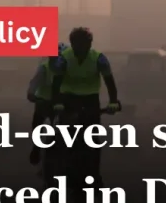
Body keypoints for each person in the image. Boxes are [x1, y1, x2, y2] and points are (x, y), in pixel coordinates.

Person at [50, 28, 120, 182]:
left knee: (93, 139)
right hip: (68, 100)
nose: (82, 48)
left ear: (90, 44)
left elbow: (110, 82)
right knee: (65, 137)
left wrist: (113, 102)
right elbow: (56, 84)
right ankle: (61, 172)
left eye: (85, 44)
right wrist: (57, 103)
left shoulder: (99, 59)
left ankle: (94, 174)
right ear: (73, 44)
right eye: (79, 44)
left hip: (90, 100)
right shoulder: (64, 59)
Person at [26, 42, 67, 166]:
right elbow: (34, 83)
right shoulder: (44, 68)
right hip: (44, 101)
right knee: (37, 123)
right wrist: (31, 94)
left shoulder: (70, 70)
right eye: (55, 57)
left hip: (62, 103)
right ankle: (36, 147)